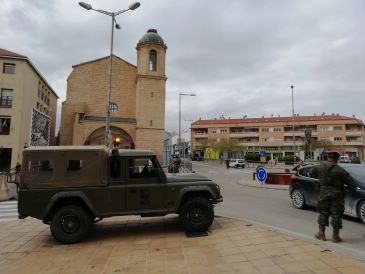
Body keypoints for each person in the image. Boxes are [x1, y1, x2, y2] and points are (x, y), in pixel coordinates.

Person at [310, 151, 353, 243]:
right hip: (337, 195)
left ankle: (321, 234)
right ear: (337, 159)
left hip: (323, 194)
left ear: (327, 157)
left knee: (323, 213)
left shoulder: (319, 166)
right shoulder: (340, 170)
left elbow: (311, 174)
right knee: (336, 214)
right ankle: (335, 237)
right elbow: (350, 182)